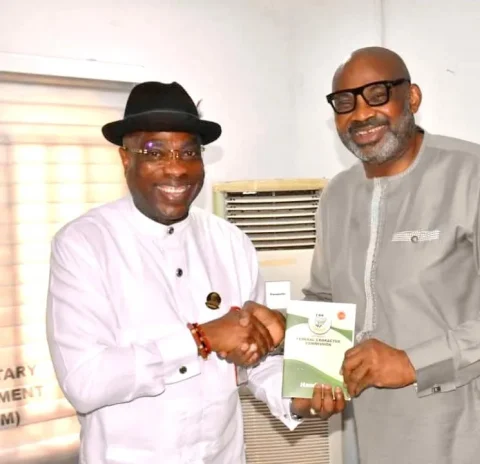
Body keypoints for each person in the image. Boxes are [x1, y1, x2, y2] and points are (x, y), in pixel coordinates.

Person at [45, 81, 344, 463]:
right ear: (125, 158)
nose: (176, 168)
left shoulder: (231, 241)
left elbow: (256, 361)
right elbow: (85, 382)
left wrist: (298, 399)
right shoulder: (83, 244)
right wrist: (200, 339)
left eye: (188, 152)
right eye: (154, 152)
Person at [305, 46, 480, 463]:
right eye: (345, 102)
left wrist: (413, 362)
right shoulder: (337, 195)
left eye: (377, 94)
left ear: (412, 97)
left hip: (474, 427)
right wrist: (310, 377)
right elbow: (323, 299)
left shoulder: (475, 173)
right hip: (380, 430)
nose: (361, 114)